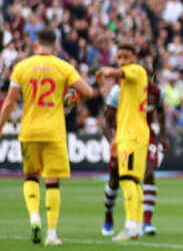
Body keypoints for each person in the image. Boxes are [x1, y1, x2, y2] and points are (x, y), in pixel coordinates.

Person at [0, 28, 95, 246]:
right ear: (55, 46)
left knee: (31, 177)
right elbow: (88, 92)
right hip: (54, 132)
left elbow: (10, 102)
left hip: (30, 130)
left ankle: (34, 218)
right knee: (52, 183)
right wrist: (72, 97)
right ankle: (52, 233)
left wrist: (0, 126)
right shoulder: (63, 66)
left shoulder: (22, 67)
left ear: (35, 45)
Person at [101, 63, 168, 236]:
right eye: (143, 76)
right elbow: (105, 121)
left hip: (147, 135)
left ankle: (145, 222)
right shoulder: (120, 90)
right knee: (116, 178)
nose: (146, 80)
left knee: (148, 173)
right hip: (125, 135)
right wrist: (112, 142)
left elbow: (161, 112)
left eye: (149, 77)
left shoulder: (156, 92)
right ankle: (108, 215)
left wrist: (163, 136)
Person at [94, 43, 150, 241]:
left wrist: (105, 71)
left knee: (127, 181)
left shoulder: (136, 70)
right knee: (134, 182)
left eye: (126, 57)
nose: (122, 61)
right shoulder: (127, 83)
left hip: (132, 134)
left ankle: (131, 226)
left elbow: (115, 72)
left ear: (134, 57)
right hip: (132, 134)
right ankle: (136, 225)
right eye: (119, 57)